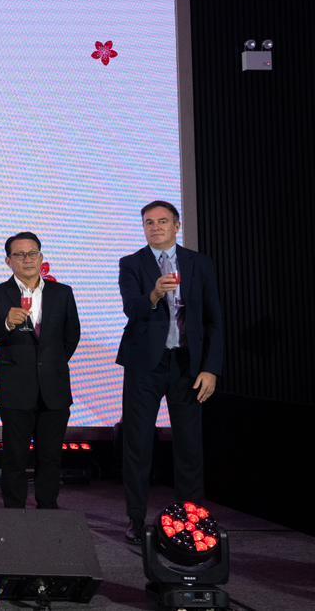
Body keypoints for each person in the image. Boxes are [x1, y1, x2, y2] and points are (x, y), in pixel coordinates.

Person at [118, 201, 223, 543]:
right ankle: (135, 518)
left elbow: (214, 320)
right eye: (149, 222)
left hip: (186, 364)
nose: (156, 227)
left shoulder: (198, 263)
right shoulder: (131, 263)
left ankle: (191, 521)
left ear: (177, 225)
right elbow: (131, 308)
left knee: (190, 446)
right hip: (144, 365)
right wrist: (154, 293)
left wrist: (210, 368)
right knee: (137, 444)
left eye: (163, 221)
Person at [0, 232, 81, 510]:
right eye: (20, 255)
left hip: (54, 388)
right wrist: (6, 325)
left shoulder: (62, 293)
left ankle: (48, 509)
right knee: (15, 456)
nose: (27, 259)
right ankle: (14, 511)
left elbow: (72, 336)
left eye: (32, 253)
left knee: (50, 456)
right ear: (8, 261)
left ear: (41, 258)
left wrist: (52, 365)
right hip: (15, 388)